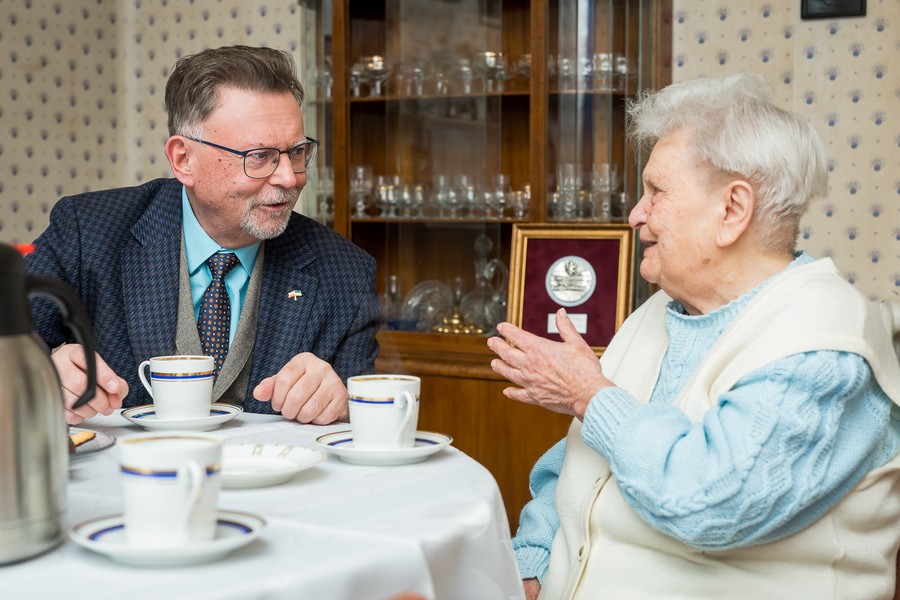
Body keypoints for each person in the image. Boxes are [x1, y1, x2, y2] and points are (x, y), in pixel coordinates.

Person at [487, 73, 900, 599]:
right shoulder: (661, 309)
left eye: (656, 192)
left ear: (732, 210)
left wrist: (590, 396)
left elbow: (709, 500)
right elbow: (575, 464)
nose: (635, 215)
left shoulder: (826, 345)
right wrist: (535, 561)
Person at [26, 45, 381, 426]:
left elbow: (365, 423)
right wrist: (38, 375)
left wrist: (341, 404)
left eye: (296, 152)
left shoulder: (345, 271)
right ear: (183, 159)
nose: (289, 178)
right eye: (259, 156)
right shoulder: (89, 231)